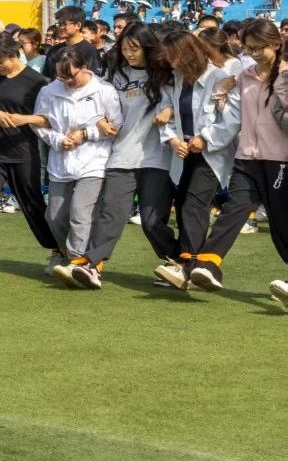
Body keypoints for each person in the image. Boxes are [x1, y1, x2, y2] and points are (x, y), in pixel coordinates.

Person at [58, 22, 173, 290]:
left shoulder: (166, 75)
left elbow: (182, 101)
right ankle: (92, 266)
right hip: (121, 155)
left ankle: (179, 261)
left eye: (135, 48)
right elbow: (101, 108)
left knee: (151, 221)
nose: (129, 53)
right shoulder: (117, 75)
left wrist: (170, 111)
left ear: (148, 47)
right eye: (125, 48)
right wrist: (99, 121)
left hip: (156, 157)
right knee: (111, 213)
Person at [180, 20, 285, 292]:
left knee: (281, 222)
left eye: (259, 48)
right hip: (246, 157)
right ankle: (207, 264)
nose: (254, 54)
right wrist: (221, 92)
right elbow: (234, 114)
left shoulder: (285, 76)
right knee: (233, 210)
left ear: (276, 44)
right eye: (249, 49)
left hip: (280, 160)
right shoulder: (245, 76)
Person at [152, 31, 242, 290]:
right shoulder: (176, 80)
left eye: (175, 57)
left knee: (194, 203)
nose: (172, 63)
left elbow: (232, 119)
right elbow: (165, 112)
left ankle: (188, 265)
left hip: (212, 152)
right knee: (182, 203)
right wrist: (173, 140)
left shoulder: (218, 77)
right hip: (185, 152)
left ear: (189, 53)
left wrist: (205, 138)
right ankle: (192, 266)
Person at [0, 33, 53, 281]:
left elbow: (50, 119)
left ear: (13, 53)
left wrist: (24, 119)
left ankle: (58, 249)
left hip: (23, 152)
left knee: (33, 204)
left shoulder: (38, 82)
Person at [34, 46, 123, 276]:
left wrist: (86, 134)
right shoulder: (49, 91)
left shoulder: (104, 90)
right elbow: (40, 123)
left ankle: (78, 262)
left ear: (84, 68)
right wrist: (56, 140)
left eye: (71, 76)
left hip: (94, 160)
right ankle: (64, 252)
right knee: (54, 216)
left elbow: (116, 124)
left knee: (80, 213)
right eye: (61, 77)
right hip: (61, 160)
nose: (67, 82)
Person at [42, 5, 100, 81]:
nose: (61, 27)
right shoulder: (54, 50)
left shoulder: (90, 51)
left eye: (64, 24)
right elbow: (47, 77)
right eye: (59, 24)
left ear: (78, 25)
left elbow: (92, 79)